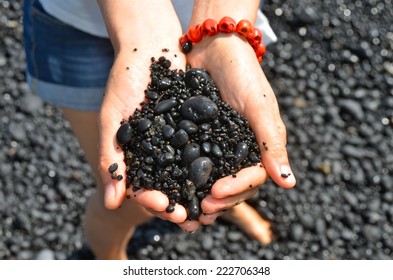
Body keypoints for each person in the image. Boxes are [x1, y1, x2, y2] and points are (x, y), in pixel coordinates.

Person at [23, 0, 296, 260]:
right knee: (121, 195)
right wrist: (140, 23)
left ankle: (220, 199)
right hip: (75, 23)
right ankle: (110, 260)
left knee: (228, 179)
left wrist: (221, 19)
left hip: (212, 21)